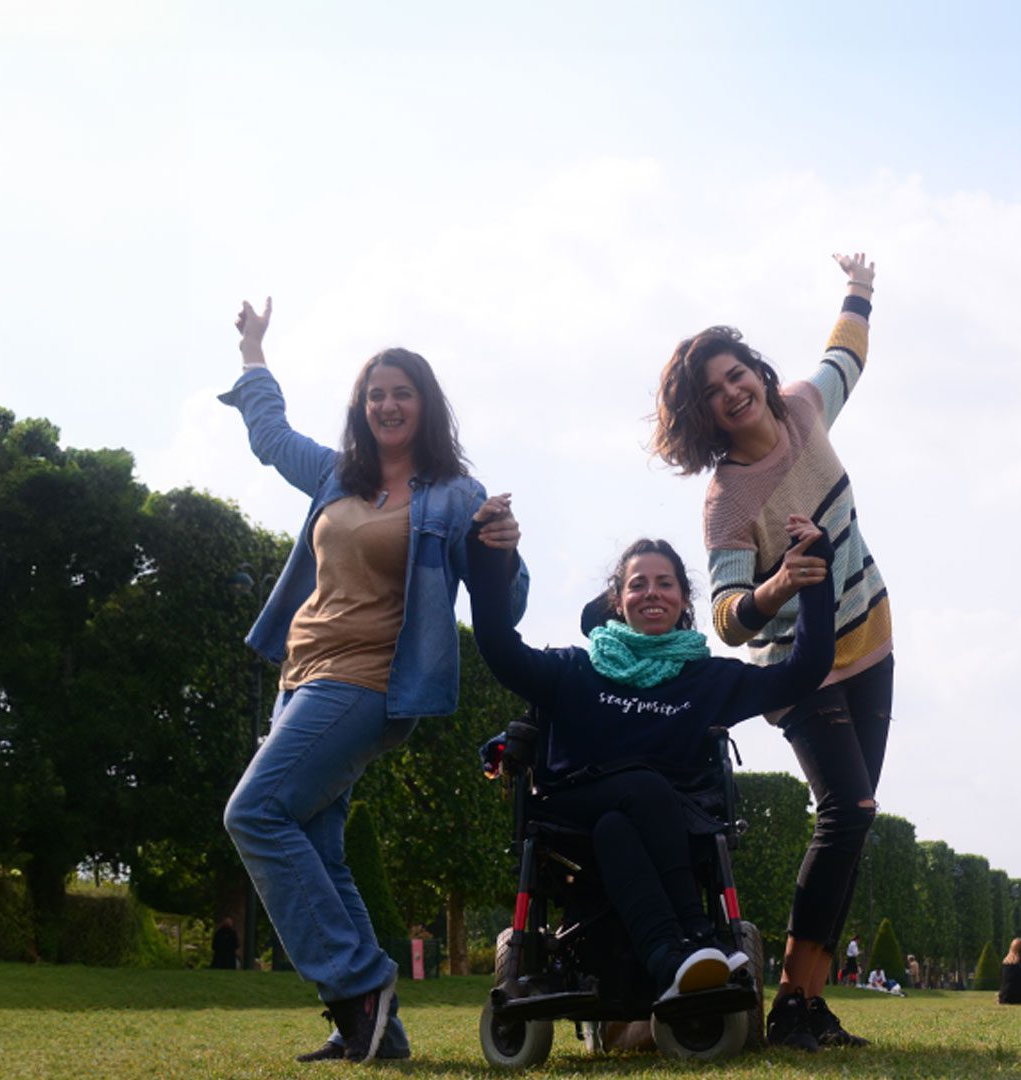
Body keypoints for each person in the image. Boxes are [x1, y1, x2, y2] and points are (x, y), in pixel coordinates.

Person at [219, 298, 528, 1064]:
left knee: (254, 814)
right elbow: (269, 438)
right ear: (363, 406)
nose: (388, 404)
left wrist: (501, 550)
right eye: (376, 393)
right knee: (318, 850)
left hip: (370, 684)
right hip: (303, 676)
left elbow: (506, 600)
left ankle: (358, 983)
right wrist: (254, 351)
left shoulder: (454, 494)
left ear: (425, 407)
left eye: (402, 392)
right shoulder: (335, 474)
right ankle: (376, 1034)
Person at [652, 252, 891, 1052]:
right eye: (715, 393)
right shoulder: (728, 502)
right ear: (707, 417)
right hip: (798, 670)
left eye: (736, 374)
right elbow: (724, 618)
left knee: (853, 827)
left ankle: (808, 1004)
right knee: (847, 812)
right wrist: (781, 581)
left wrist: (858, 288)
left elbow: (844, 359)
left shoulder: (800, 410)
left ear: (756, 370)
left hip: (872, 639)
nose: (733, 391)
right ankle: (793, 1002)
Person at [464, 503, 835, 1014]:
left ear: (684, 599)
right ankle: (697, 935)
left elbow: (802, 672)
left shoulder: (707, 680)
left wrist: (814, 577)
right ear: (618, 599)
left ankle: (668, 958)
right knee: (639, 787)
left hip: (653, 823)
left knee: (619, 824)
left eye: (665, 583)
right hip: (572, 805)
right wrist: (488, 561)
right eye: (638, 584)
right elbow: (498, 647)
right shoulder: (574, 668)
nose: (651, 593)